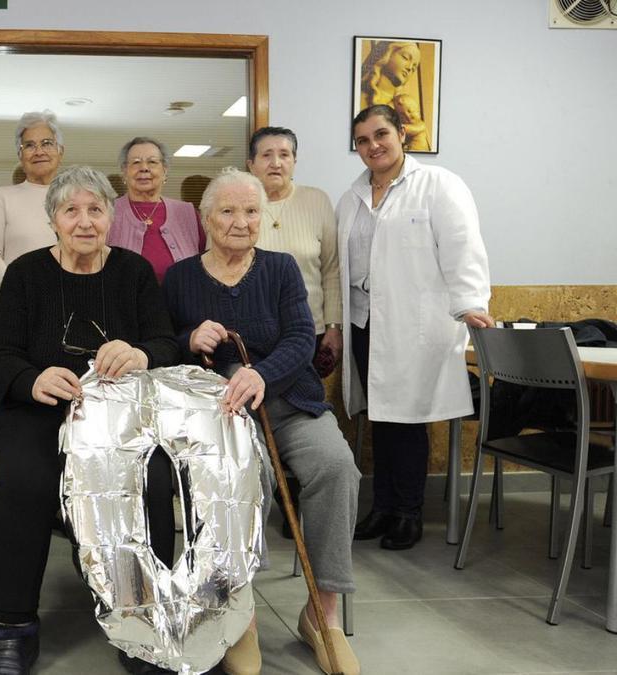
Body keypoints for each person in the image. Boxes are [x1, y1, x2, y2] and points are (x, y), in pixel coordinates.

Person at [0, 166, 179, 675]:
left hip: (119, 420)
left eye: (95, 210)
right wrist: (31, 378)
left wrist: (138, 353)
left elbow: (165, 343)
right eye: (71, 211)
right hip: (37, 413)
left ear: (111, 217)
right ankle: (11, 628)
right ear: (54, 221)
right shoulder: (26, 274)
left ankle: (140, 617)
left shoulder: (134, 273)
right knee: (27, 483)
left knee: (152, 480)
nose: (84, 222)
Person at [163, 168, 360, 675]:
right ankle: (241, 611)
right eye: (227, 211)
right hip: (223, 413)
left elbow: (300, 338)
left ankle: (324, 614)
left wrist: (260, 373)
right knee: (250, 478)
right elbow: (163, 346)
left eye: (251, 211)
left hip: (291, 400)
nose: (240, 221)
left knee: (337, 467)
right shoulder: (181, 276)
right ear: (206, 219)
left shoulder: (280, 268)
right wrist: (190, 339)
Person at [338, 105, 493, 551]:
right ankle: (382, 507)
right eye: (363, 140)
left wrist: (469, 304)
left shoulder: (438, 185)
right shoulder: (352, 196)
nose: (373, 146)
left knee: (408, 421)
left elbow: (463, 247)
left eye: (381, 134)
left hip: (415, 324)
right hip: (365, 322)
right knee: (380, 418)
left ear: (402, 133)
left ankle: (407, 512)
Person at [246, 126, 342, 378]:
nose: (276, 163)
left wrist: (334, 326)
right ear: (251, 164)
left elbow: (331, 271)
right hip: (252, 334)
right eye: (266, 155)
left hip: (311, 330)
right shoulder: (236, 205)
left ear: (295, 161)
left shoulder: (317, 200)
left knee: (307, 408)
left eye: (285, 155)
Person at [0, 110, 65, 289]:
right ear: (20, 155)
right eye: (29, 145)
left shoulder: (74, 198)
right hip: (16, 299)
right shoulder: (2, 196)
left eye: (47, 143)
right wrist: (16, 292)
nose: (39, 151)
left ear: (60, 151)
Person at [107, 137, 206, 283]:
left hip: (180, 304)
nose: (144, 168)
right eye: (136, 162)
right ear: (124, 171)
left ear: (164, 170)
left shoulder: (187, 213)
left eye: (152, 162)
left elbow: (207, 262)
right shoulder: (108, 212)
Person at [360, 41, 421, 108]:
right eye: (405, 57)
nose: (409, 68)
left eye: (413, 68)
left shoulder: (403, 107)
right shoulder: (359, 95)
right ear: (387, 53)